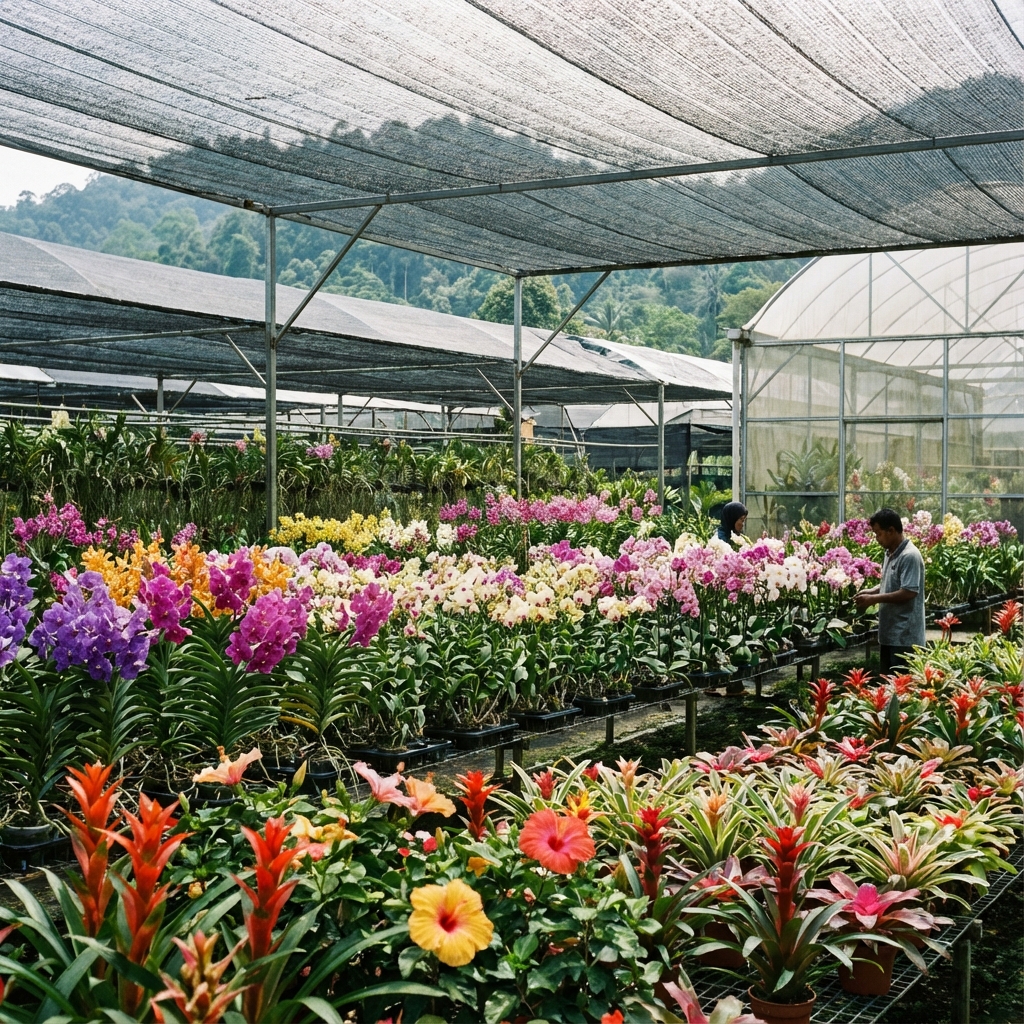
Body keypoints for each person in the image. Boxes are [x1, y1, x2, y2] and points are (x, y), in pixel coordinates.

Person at [854, 508, 926, 672]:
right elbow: (891, 583)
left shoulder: (909, 556)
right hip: (889, 635)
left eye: (878, 533)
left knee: (902, 684)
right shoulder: (889, 553)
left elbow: (908, 592)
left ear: (891, 530)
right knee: (887, 683)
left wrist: (874, 599)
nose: (877, 538)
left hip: (905, 638)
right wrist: (871, 591)